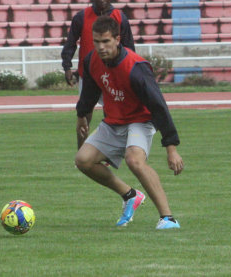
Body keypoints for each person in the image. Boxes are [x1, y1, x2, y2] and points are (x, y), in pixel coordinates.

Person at [74, 16, 183, 229]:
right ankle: (130, 195)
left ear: (117, 39)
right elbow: (88, 95)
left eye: (106, 41)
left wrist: (171, 148)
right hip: (113, 122)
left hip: (140, 120)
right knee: (83, 160)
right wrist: (81, 117)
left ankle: (168, 218)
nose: (101, 47)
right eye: (97, 42)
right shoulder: (91, 61)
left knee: (134, 160)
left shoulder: (136, 67)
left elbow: (159, 107)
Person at [61, 0, 135, 149]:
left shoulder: (120, 18)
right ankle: (81, 153)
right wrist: (67, 67)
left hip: (113, 76)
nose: (101, 0)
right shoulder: (81, 17)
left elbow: (129, 48)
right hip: (88, 76)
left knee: (113, 116)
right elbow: (70, 44)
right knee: (83, 115)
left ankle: (110, 153)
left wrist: (128, 73)